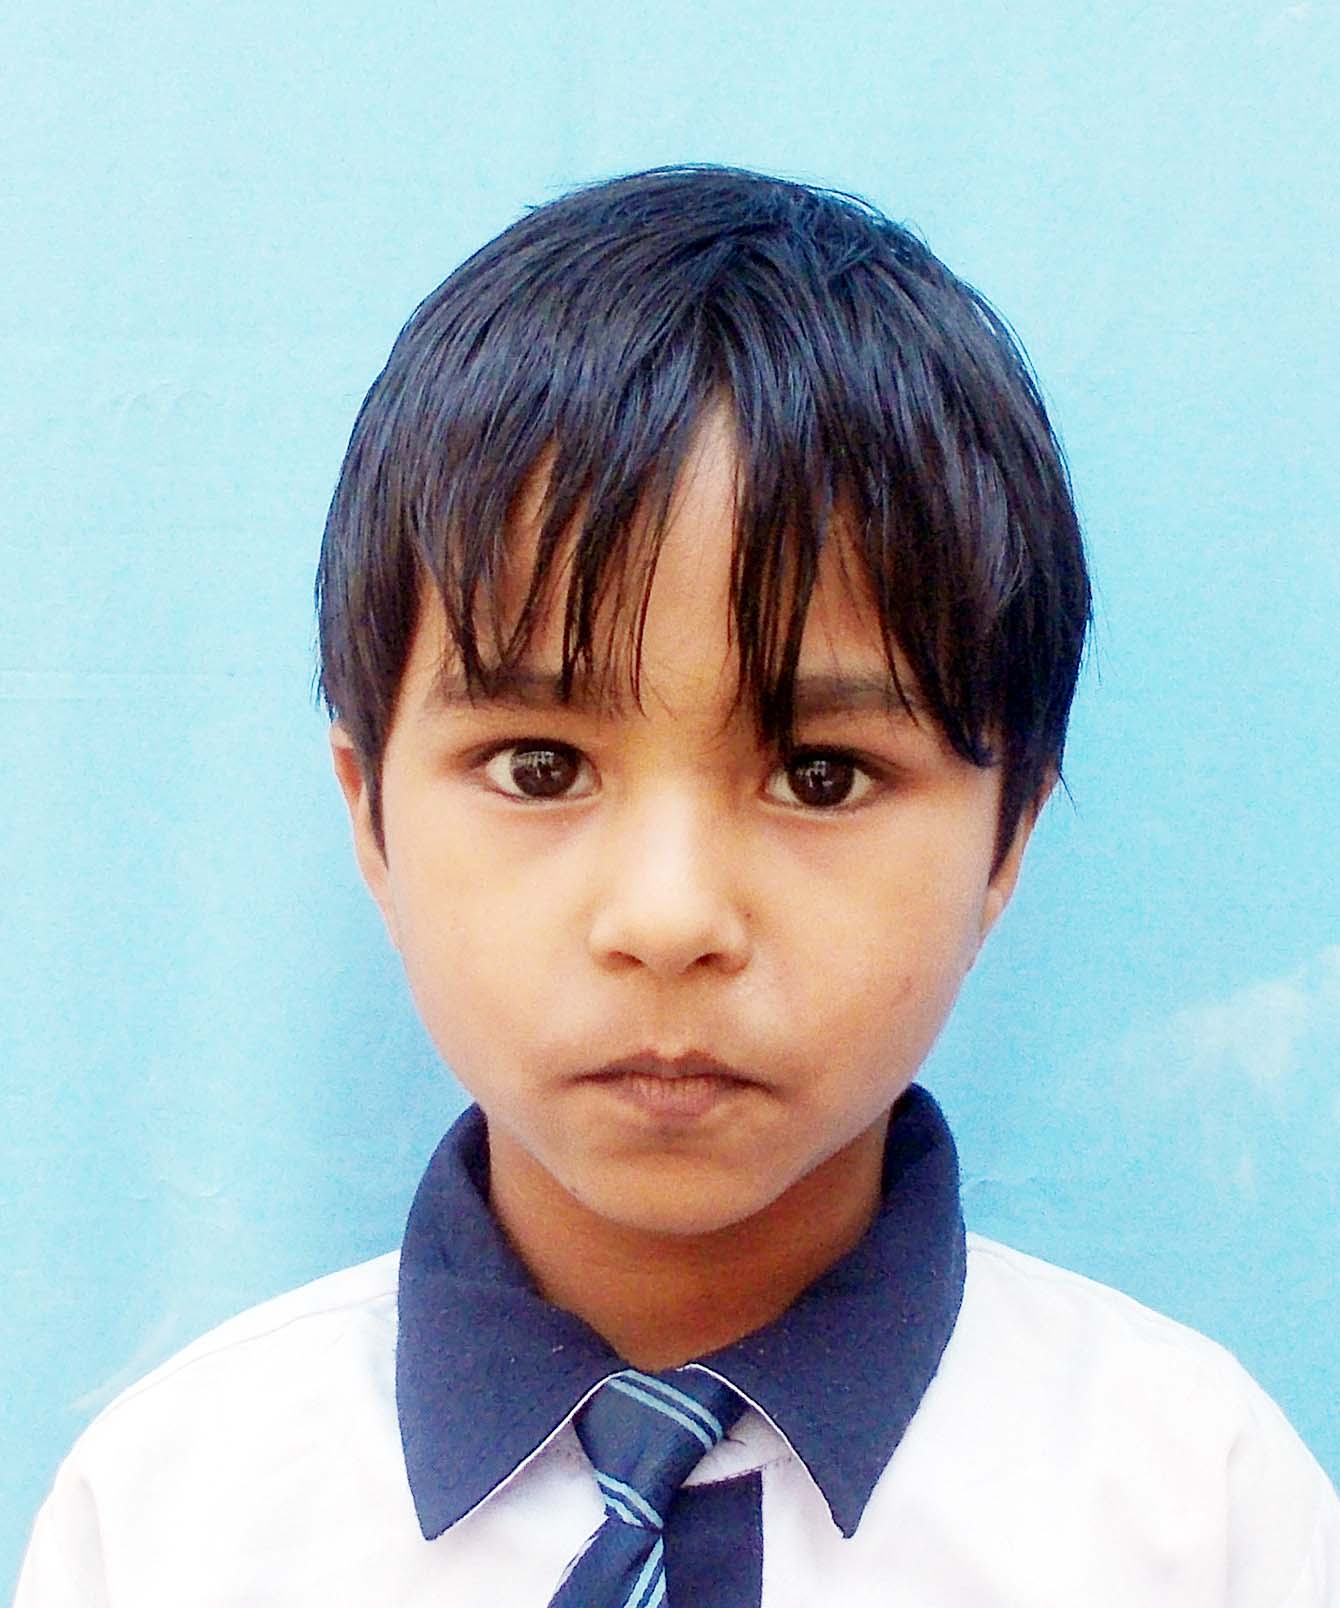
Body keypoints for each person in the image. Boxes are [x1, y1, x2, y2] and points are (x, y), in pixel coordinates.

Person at [15, 165, 1338, 1607]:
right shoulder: (172, 1520)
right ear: (370, 816)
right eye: (538, 768)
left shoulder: (1195, 1518)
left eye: (820, 775)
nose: (669, 919)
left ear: (1009, 833)